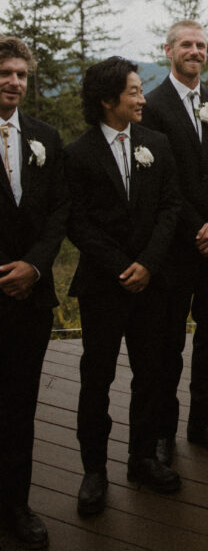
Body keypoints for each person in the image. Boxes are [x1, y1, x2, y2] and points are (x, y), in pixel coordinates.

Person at [65, 57, 182, 517]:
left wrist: (148, 264)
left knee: (151, 374)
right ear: (107, 100)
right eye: (133, 92)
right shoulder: (77, 153)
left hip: (152, 283)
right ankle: (94, 469)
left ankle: (142, 458)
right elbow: (76, 221)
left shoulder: (156, 143)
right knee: (97, 377)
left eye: (140, 90)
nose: (142, 99)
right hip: (103, 284)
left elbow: (171, 206)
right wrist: (121, 267)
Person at [142, 20, 208, 465]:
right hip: (175, 248)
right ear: (168, 50)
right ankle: (164, 430)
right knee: (169, 343)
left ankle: (202, 422)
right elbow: (160, 182)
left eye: (201, 46)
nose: (196, 51)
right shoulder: (151, 105)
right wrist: (196, 227)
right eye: (187, 44)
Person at [0, 36, 68, 549]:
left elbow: (59, 212)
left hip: (32, 296)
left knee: (21, 404)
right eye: (6, 73)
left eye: (22, 75)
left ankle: (17, 505)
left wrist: (35, 266)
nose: (14, 82)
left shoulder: (45, 137)